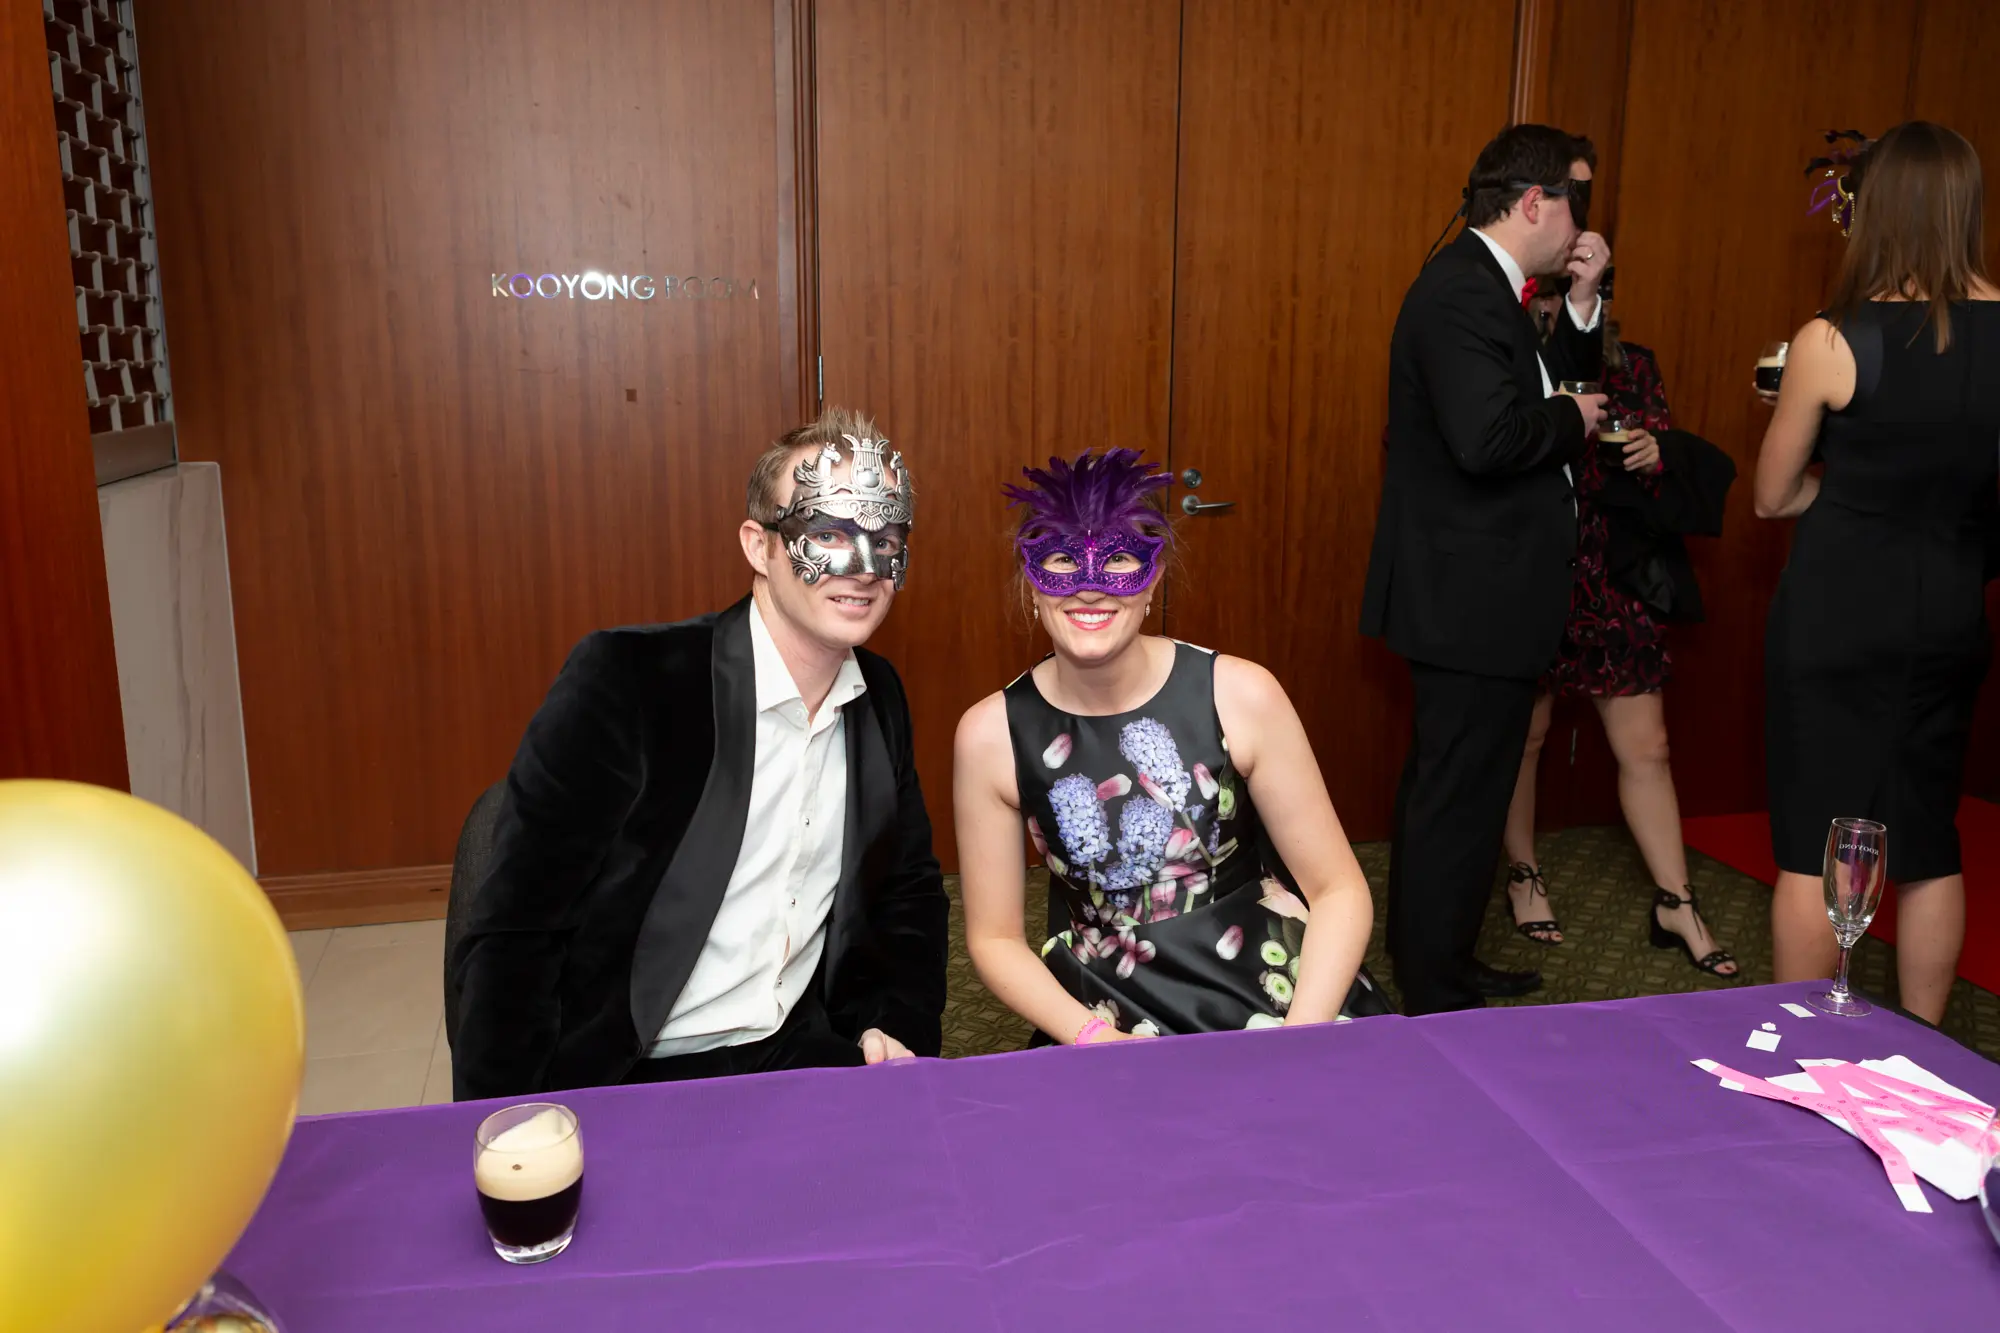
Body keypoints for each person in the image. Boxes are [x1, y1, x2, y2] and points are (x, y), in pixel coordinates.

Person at [450, 407, 949, 1097]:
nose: (863, 568)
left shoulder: (879, 696)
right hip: (634, 1072)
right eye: (828, 533)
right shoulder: (629, 681)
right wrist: (511, 1125)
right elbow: (516, 930)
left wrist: (898, 1029)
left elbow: (908, 891)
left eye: (886, 537)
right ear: (759, 545)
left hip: (802, 1051)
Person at [955, 449, 1385, 1042]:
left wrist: (1299, 1040)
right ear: (1031, 581)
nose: (1090, 588)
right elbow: (995, 938)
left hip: (1270, 994)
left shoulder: (1240, 694)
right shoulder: (989, 735)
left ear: (1153, 576)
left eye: (1120, 560)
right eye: (1060, 560)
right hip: (1102, 1012)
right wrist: (1091, 1040)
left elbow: (1338, 890)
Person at [1359, 123, 1608, 1015]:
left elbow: (1545, 393)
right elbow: (1491, 437)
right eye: (1577, 197)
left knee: (1471, 792)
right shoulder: (1462, 291)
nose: (1584, 221)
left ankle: (1450, 960)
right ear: (1533, 202)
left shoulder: (1498, 290)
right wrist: (1575, 421)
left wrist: (1581, 311)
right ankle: (1430, 981)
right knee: (1453, 791)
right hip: (1468, 598)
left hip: (1490, 598)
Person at [1756, 121, 2000, 1025]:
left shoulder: (1832, 338)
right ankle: (1928, 1041)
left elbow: (1773, 498)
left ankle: (1799, 1042)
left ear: (1880, 209)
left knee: (1814, 838)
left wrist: (1846, 476)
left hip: (1839, 617)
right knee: (1930, 840)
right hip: (1950, 613)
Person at [1501, 310, 1741, 977]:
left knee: (1648, 745)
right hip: (1538, 567)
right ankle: (1523, 873)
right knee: (1528, 734)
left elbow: (1656, 445)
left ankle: (1677, 902)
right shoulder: (1508, 355)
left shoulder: (1633, 362)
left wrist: (1654, 449)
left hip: (1616, 571)